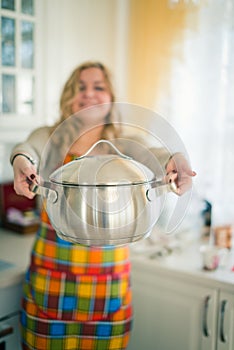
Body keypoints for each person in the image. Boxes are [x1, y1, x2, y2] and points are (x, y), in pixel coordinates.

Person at [10, 61, 196, 350]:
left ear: (110, 98)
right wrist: (22, 162)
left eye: (99, 87)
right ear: (68, 96)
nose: (89, 94)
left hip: (108, 285)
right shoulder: (50, 137)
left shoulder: (124, 143)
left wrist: (174, 160)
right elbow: (26, 148)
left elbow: (157, 155)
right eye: (80, 87)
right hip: (50, 281)